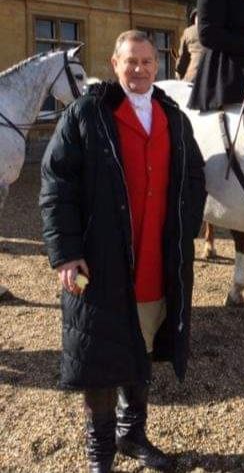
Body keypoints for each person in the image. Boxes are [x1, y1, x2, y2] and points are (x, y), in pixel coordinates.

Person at [40, 30, 206, 473]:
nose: (139, 69)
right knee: (99, 356)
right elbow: (56, 185)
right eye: (130, 61)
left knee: (143, 347)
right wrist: (66, 252)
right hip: (101, 262)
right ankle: (100, 452)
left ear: (158, 66)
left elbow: (195, 177)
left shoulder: (172, 117)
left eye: (148, 61)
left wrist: (183, 231)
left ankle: (132, 433)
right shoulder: (86, 113)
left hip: (155, 261)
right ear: (114, 64)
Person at [175, 10, 203, 83]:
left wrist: (179, 73)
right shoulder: (219, 32)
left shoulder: (189, 31)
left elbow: (182, 60)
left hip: (194, 77)